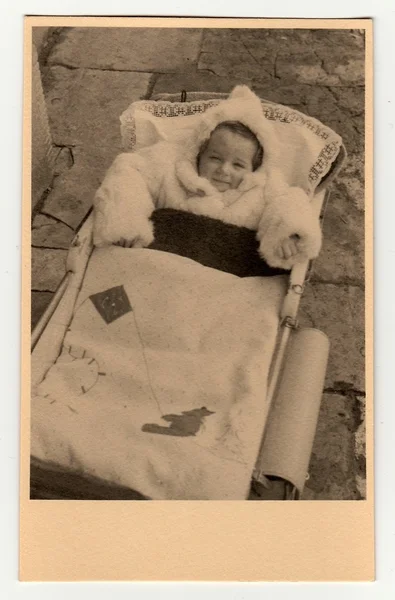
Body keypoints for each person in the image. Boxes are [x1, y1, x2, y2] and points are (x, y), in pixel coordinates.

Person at [93, 85, 321, 269]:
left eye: (238, 164)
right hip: (160, 265)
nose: (224, 170)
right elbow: (129, 170)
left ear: (254, 170)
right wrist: (126, 223)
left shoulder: (264, 187)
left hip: (223, 278)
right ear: (199, 152)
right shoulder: (171, 166)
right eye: (215, 158)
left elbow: (289, 202)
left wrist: (288, 234)